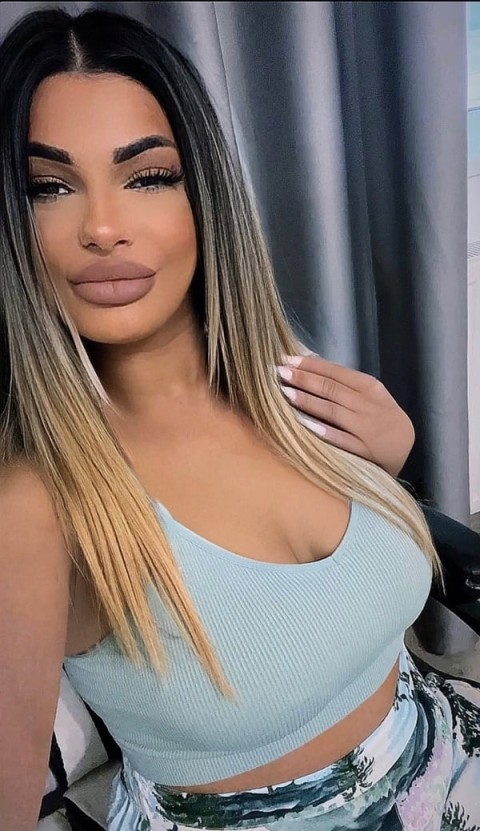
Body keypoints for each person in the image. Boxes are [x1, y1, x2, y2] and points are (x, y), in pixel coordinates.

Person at [0, 7, 478, 831]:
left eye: (147, 176)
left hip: (446, 752)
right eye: (51, 187)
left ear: (204, 195)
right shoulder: (33, 509)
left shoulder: (291, 381)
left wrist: (394, 464)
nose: (103, 228)